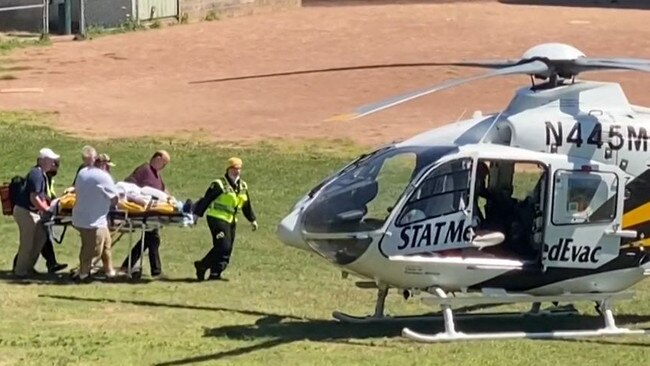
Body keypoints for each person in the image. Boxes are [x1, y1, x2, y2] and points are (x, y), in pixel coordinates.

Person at [192, 157, 258, 281]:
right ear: (228, 169)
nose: (236, 171)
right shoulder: (219, 184)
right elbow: (206, 200)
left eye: (238, 169)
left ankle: (215, 273)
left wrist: (252, 219)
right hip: (217, 218)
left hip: (231, 220)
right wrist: (196, 215)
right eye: (234, 168)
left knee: (227, 249)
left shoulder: (243, 186)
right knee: (223, 246)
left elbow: (246, 204)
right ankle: (203, 265)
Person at [119, 150, 171, 278]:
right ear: (157, 158)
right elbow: (128, 185)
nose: (163, 167)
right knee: (152, 239)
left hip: (153, 211)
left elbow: (163, 191)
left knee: (151, 239)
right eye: (163, 163)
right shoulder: (144, 169)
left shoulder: (157, 175)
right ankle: (155, 271)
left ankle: (128, 265)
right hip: (142, 211)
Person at [71, 153, 119, 282]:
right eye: (108, 166)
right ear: (103, 165)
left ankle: (109, 271)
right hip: (93, 221)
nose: (109, 169)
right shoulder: (104, 177)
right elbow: (115, 199)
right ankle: (83, 274)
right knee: (92, 249)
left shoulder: (83, 172)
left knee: (106, 245)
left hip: (83, 217)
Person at [12, 148, 59, 277]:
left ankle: (29, 267)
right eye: (51, 160)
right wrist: (47, 209)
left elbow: (40, 197)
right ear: (43, 161)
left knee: (41, 237)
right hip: (25, 212)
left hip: (32, 212)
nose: (53, 163)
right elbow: (34, 197)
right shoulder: (36, 174)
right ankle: (20, 271)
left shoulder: (42, 174)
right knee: (27, 243)